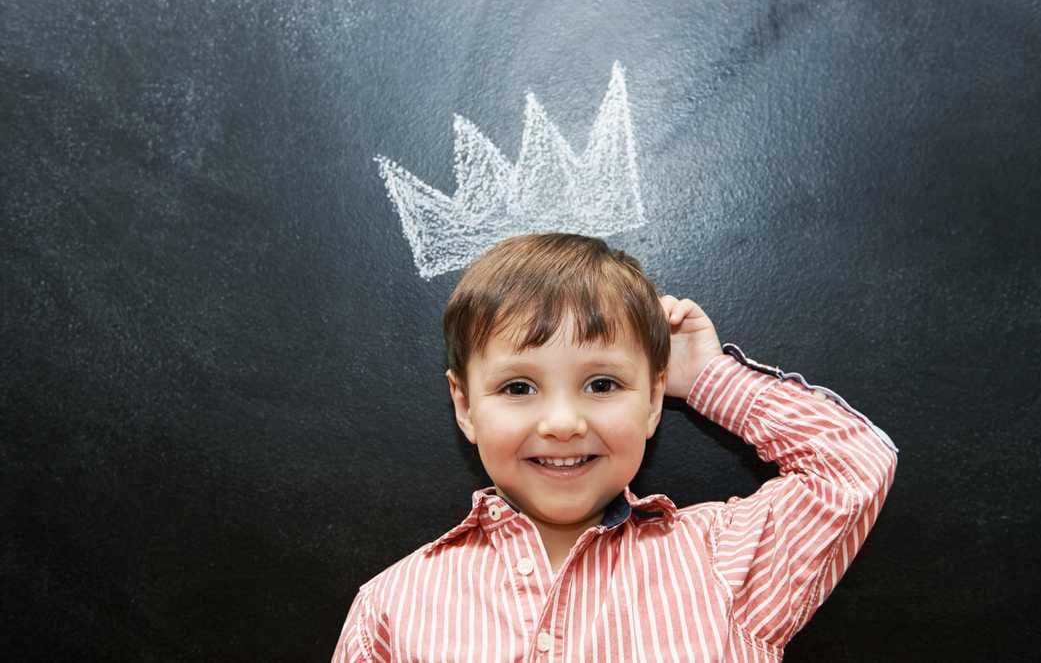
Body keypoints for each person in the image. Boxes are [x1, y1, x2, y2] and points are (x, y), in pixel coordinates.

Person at [331, 232, 898, 662]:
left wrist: (706, 377)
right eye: (518, 387)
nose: (561, 422)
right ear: (464, 407)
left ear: (652, 402)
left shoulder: (724, 560)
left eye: (601, 385)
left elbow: (852, 464)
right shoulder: (392, 607)